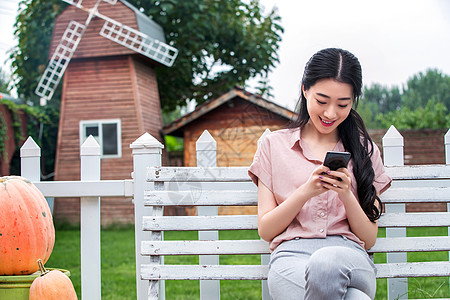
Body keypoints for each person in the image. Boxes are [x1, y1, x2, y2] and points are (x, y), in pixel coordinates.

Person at [248, 48, 391, 300]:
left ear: (353, 101)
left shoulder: (365, 151)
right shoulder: (273, 146)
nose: (330, 113)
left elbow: (368, 239)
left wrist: (346, 194)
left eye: (343, 104)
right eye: (322, 101)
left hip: (350, 258)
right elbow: (266, 230)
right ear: (305, 90)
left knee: (326, 262)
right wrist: (306, 192)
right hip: (291, 260)